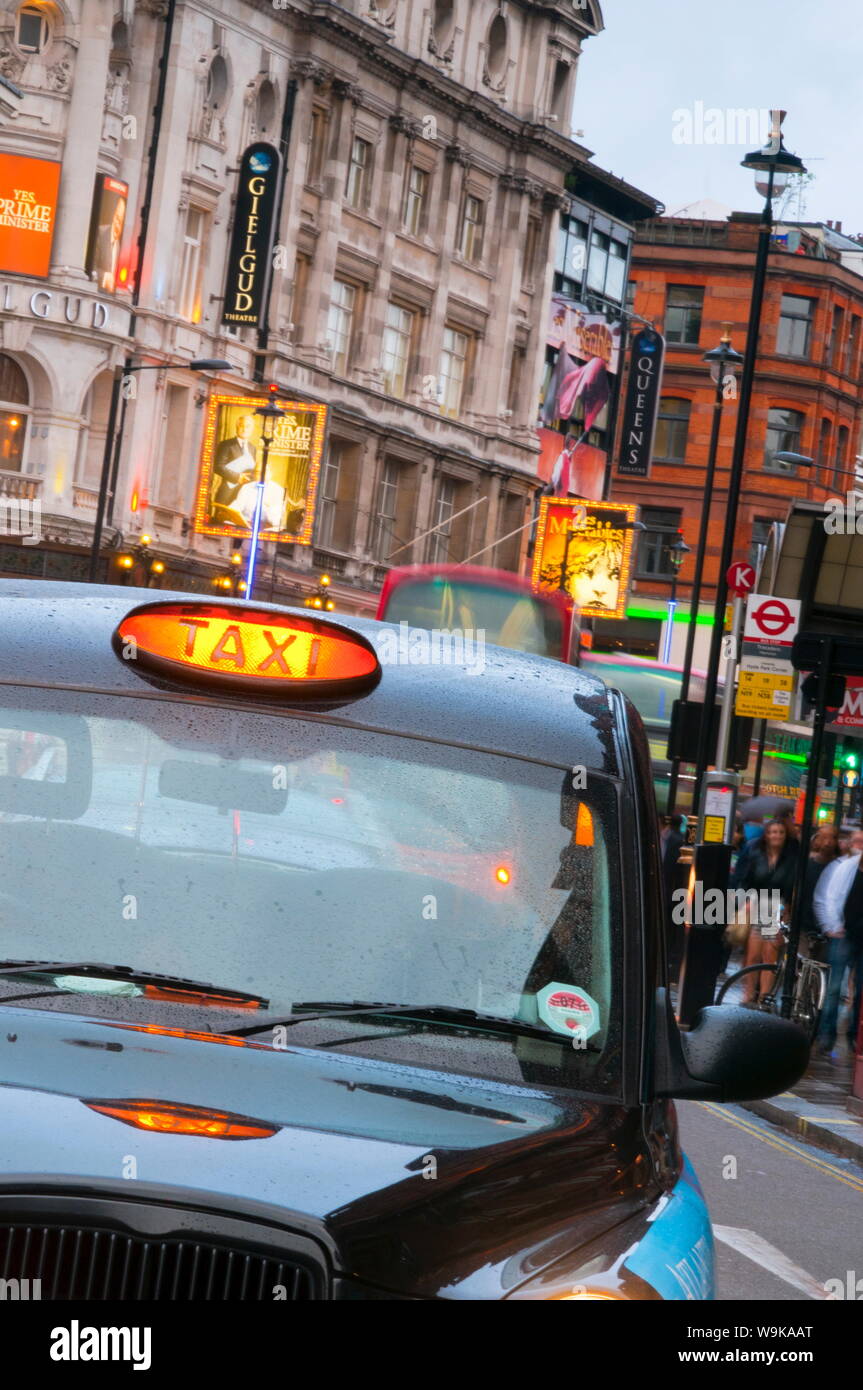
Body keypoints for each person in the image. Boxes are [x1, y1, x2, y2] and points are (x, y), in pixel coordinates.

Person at [813, 828, 863, 1056]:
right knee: (833, 988)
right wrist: (831, 926)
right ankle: (827, 1035)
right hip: (843, 934)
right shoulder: (844, 867)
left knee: (860, 990)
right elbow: (827, 897)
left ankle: (854, 1036)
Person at [740, 818, 798, 1003]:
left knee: (770, 955)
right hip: (758, 902)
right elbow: (746, 879)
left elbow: (793, 887)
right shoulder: (756, 853)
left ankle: (764, 996)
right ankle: (749, 993)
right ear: (766, 835)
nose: (777, 835)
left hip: (778, 906)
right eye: (773, 832)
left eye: (780, 832)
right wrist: (747, 900)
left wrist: (787, 910)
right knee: (753, 954)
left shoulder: (791, 858)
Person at [799, 825, 839, 960]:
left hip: (827, 929)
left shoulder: (840, 868)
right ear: (816, 840)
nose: (827, 842)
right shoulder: (807, 864)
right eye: (823, 838)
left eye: (832, 838)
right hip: (804, 925)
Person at [212, 416, 259, 511]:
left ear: (252, 429)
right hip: (227, 493)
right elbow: (218, 466)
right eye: (242, 425)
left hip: (244, 495)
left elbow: (252, 470)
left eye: (248, 426)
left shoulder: (253, 448)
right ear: (237, 427)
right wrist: (237, 477)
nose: (245, 429)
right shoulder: (225, 444)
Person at [94, 195, 126, 293]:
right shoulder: (101, 233)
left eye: (121, 222)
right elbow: (90, 265)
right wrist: (104, 277)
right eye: (117, 219)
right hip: (95, 290)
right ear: (113, 216)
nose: (117, 225)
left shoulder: (122, 245)